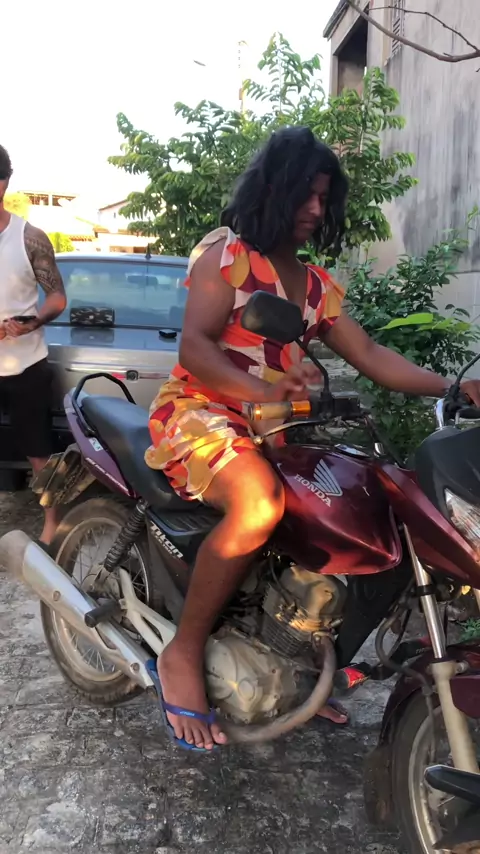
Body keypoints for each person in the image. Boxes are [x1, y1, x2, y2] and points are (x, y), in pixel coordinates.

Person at [146, 126, 480, 750]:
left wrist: (454, 388)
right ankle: (183, 652)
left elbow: (371, 354)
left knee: (364, 511)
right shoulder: (228, 254)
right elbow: (195, 347)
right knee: (259, 506)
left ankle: (297, 660)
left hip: (278, 426)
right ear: (273, 189)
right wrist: (262, 391)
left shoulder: (316, 285)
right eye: (306, 193)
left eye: (325, 198)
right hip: (201, 411)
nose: (316, 208)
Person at [0, 145, 66, 546]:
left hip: (25, 364)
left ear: (3, 184)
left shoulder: (30, 239)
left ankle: (52, 525)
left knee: (39, 452)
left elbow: (56, 296)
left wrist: (34, 322)